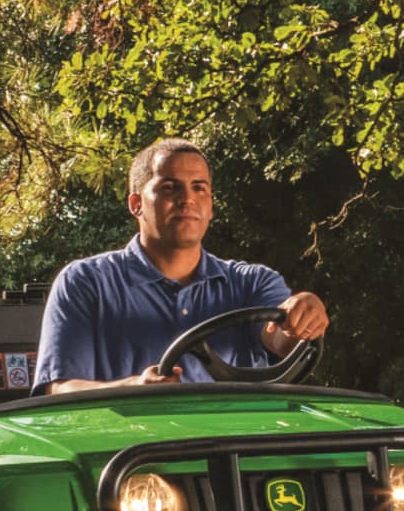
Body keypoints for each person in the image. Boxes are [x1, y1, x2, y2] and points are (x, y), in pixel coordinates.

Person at [33, 139, 329, 393]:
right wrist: (133, 389)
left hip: (237, 452)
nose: (187, 199)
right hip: (135, 455)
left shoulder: (253, 283)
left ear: (211, 205)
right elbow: (59, 389)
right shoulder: (85, 282)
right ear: (136, 204)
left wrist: (303, 314)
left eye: (199, 188)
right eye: (170, 187)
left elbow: (281, 341)